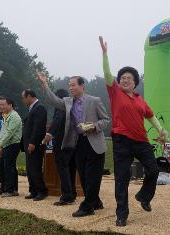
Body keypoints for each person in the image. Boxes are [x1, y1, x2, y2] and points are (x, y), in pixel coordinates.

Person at [99, 36, 168, 226]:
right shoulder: (115, 92)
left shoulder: (140, 99)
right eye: (122, 78)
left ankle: (144, 196)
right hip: (121, 140)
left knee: (153, 170)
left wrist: (162, 131)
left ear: (135, 82)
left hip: (141, 141)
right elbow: (107, 73)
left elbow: (151, 116)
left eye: (129, 78)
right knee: (122, 178)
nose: (125, 80)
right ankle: (122, 215)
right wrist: (105, 54)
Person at [37, 72, 109, 218]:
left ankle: (87, 206)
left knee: (92, 176)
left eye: (73, 85)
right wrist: (45, 84)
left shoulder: (94, 100)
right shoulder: (68, 102)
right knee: (82, 175)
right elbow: (54, 100)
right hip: (78, 142)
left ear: (82, 86)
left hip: (95, 142)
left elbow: (106, 120)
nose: (70, 88)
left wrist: (93, 126)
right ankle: (95, 201)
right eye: (69, 85)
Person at [43, 88, 77, 206]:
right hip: (73, 142)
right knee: (71, 168)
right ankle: (72, 193)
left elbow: (57, 120)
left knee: (62, 167)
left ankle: (67, 196)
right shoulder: (73, 105)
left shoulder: (61, 106)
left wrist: (49, 133)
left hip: (62, 141)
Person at [21, 89, 48, 201]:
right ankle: (33, 190)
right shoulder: (32, 108)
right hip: (29, 142)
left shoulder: (39, 107)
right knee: (29, 168)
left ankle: (42, 191)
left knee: (35, 168)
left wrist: (32, 142)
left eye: (23, 97)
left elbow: (38, 127)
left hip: (35, 144)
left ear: (29, 96)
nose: (23, 100)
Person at [0, 97, 22, 198]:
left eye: (3, 105)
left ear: (10, 105)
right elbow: (3, 132)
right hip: (6, 144)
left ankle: (10, 190)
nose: (0, 107)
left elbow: (9, 133)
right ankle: (8, 187)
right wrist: (1, 144)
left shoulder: (14, 116)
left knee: (9, 167)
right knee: (4, 166)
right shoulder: (5, 115)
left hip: (13, 144)